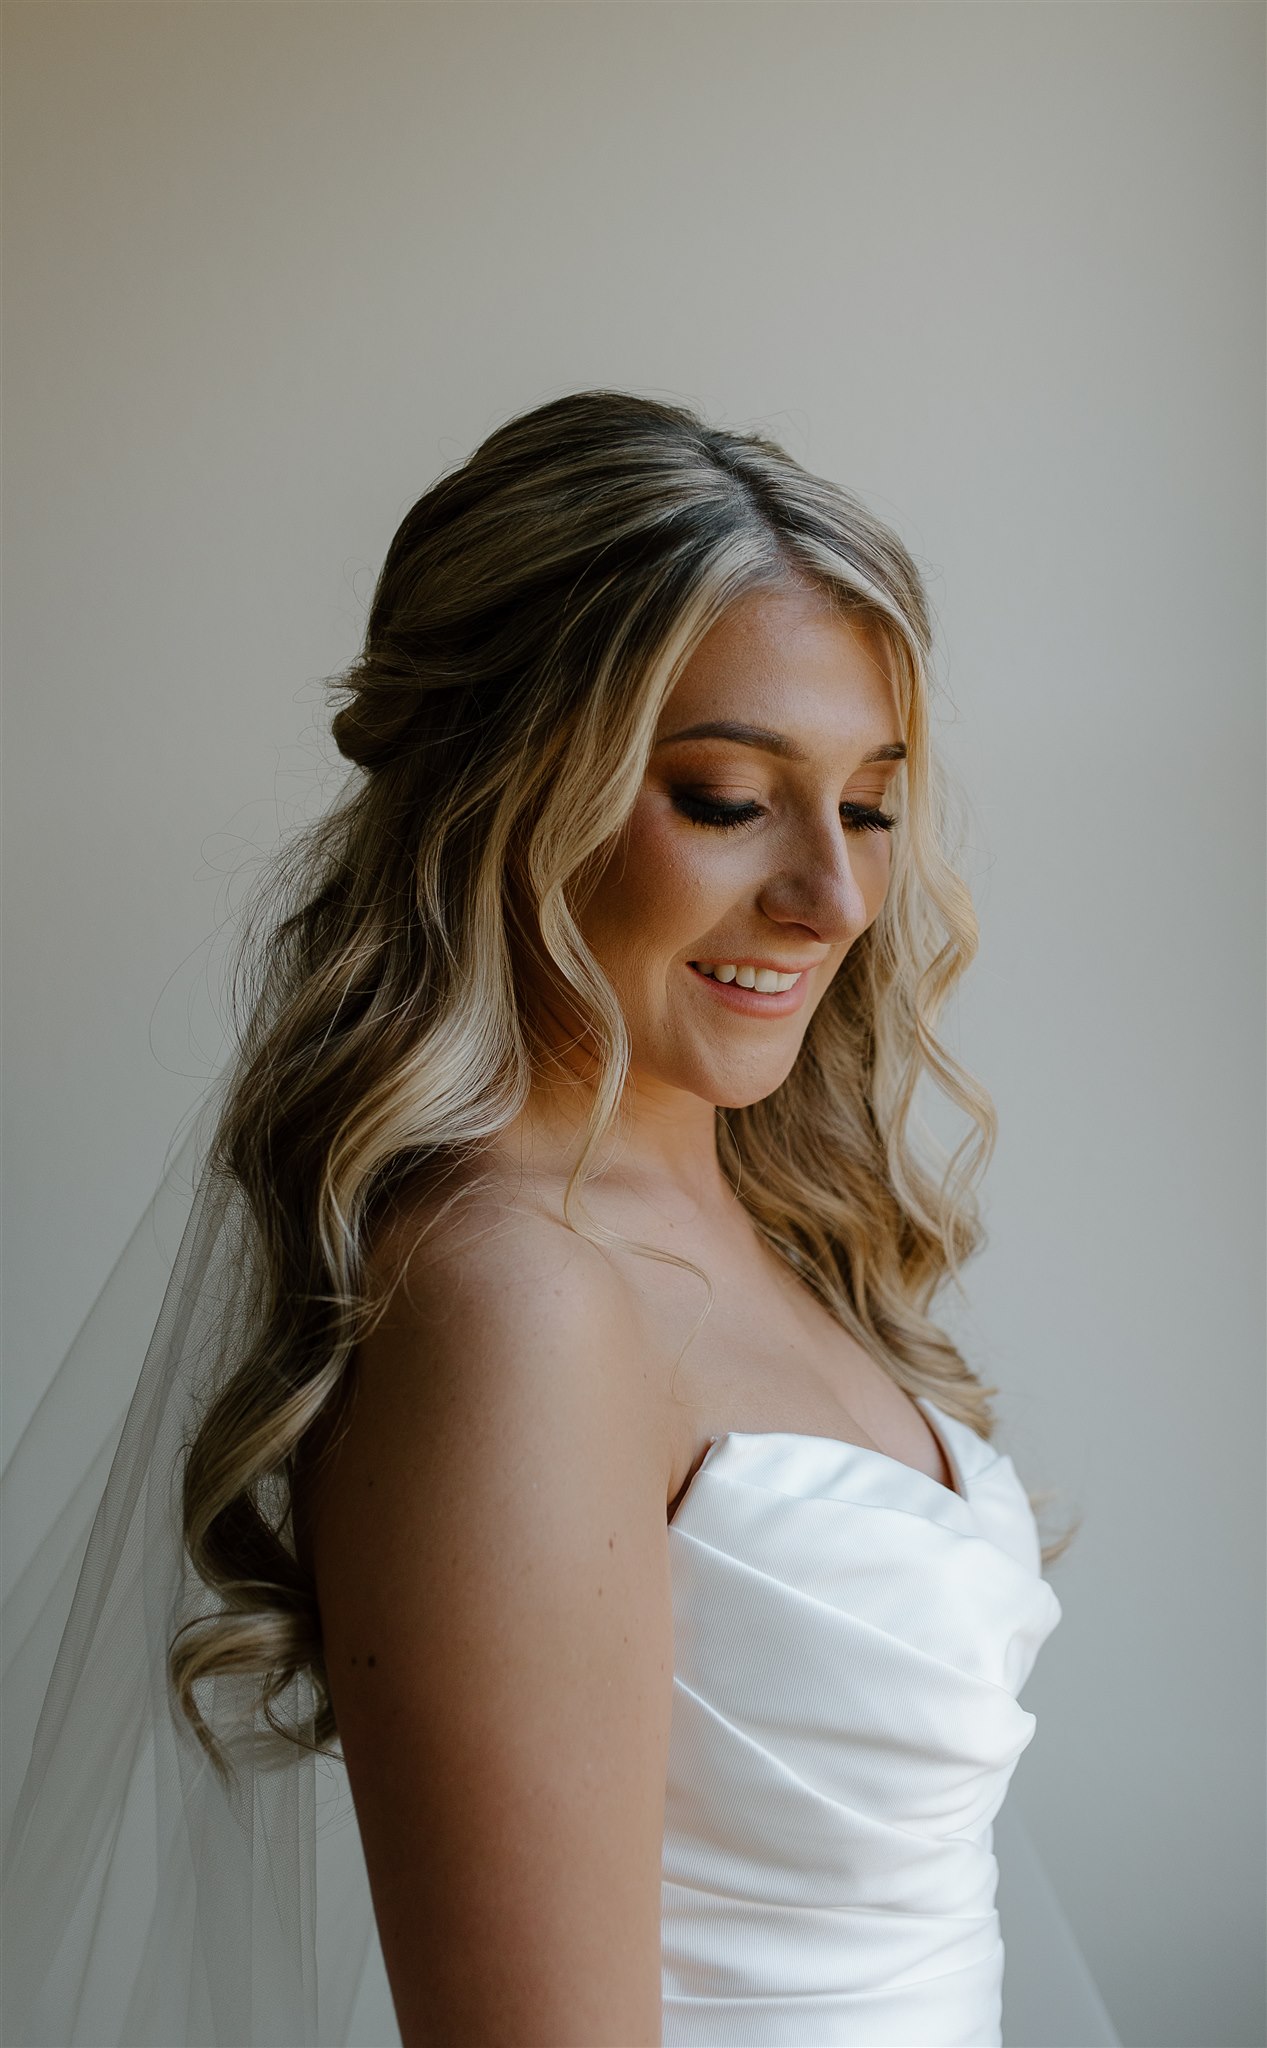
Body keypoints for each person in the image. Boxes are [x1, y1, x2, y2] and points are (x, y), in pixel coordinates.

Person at [1, 389, 1112, 2048]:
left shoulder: (767, 1217)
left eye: (871, 805)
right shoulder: (515, 1303)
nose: (835, 896)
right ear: (508, 791)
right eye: (730, 798)